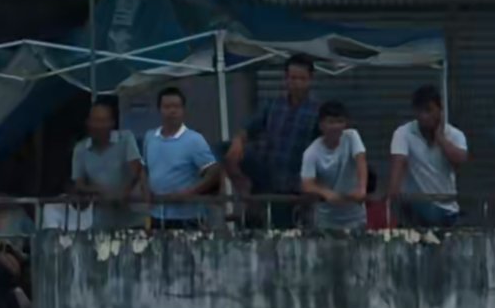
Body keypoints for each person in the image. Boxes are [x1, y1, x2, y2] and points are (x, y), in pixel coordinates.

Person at [224, 54, 319, 227]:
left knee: (281, 231)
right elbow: (249, 127)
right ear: (285, 79)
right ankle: (245, 192)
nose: (296, 83)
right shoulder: (273, 105)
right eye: (292, 78)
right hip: (266, 175)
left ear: (310, 80)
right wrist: (238, 140)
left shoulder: (317, 111)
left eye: (301, 78)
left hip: (293, 184)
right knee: (222, 148)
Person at [387, 86, 468, 226]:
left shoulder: (455, 135)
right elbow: (398, 165)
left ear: (440, 110)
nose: (424, 116)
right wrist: (393, 199)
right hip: (415, 208)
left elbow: (460, 160)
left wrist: (441, 139)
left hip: (447, 208)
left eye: (429, 110)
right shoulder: (403, 133)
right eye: (420, 111)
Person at [142, 87, 221, 230]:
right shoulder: (150, 137)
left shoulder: (194, 140)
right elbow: (145, 169)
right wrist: (146, 191)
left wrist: (190, 192)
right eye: (167, 107)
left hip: (187, 217)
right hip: (157, 214)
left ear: (183, 110)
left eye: (176, 107)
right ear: (159, 109)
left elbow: (214, 171)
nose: (172, 111)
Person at [71, 101, 145, 230]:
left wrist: (124, 192)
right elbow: (79, 184)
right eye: (96, 121)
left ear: (112, 123)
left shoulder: (126, 138)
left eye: (104, 121)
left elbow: (137, 169)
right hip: (102, 220)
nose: (99, 126)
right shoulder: (80, 149)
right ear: (88, 122)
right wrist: (99, 190)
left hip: (134, 218)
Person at [300, 101, 368, 230]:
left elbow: (361, 160)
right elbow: (307, 184)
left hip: (355, 216)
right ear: (321, 125)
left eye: (340, 121)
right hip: (326, 219)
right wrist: (326, 193)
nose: (336, 126)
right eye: (331, 122)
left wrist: (361, 188)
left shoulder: (352, 136)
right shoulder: (311, 152)